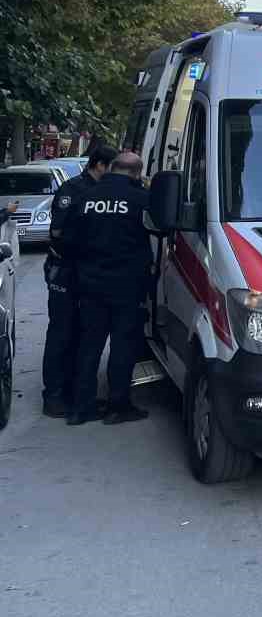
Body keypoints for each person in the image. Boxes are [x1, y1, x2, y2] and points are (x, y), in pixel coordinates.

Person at [61, 151, 156, 426]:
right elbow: (160, 230)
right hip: (127, 284)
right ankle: (118, 406)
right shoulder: (141, 199)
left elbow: (67, 239)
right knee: (122, 346)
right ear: (137, 174)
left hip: (89, 283)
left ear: (112, 168)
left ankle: (82, 408)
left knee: (88, 345)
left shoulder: (86, 197)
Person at [41, 144, 116, 418]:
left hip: (85, 272)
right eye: (112, 167)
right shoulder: (72, 190)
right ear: (99, 165)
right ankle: (53, 397)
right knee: (61, 333)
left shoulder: (98, 192)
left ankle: (75, 393)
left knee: (82, 333)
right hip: (65, 269)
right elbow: (57, 232)